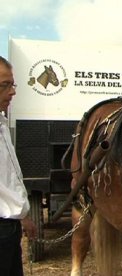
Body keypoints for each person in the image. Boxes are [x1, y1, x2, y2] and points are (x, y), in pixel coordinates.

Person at [0, 55, 37, 275]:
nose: (13, 91)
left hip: (8, 228)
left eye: (12, 84)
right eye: (5, 85)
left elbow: (8, 178)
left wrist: (23, 216)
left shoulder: (2, 124)